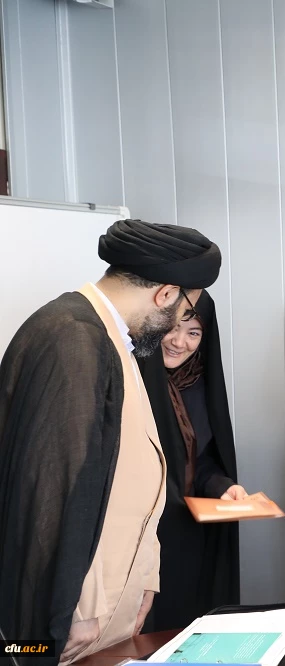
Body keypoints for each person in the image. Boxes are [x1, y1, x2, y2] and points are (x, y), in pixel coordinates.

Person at [0, 219, 221, 664]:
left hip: (109, 606)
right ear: (165, 295)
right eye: (185, 310)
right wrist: (74, 608)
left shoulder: (110, 337)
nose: (178, 326)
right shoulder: (73, 337)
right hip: (76, 619)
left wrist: (146, 576)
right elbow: (56, 488)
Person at [138, 291, 243, 631]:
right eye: (172, 327)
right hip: (142, 539)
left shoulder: (197, 382)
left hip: (188, 536)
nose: (179, 342)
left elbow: (200, 461)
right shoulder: (131, 379)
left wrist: (222, 487)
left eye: (193, 332)